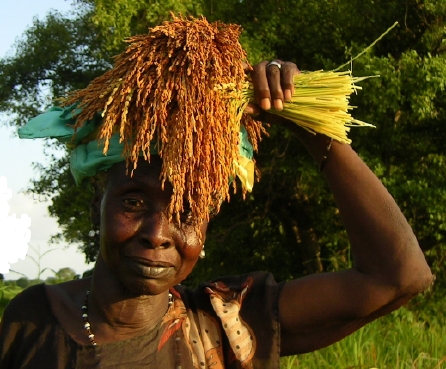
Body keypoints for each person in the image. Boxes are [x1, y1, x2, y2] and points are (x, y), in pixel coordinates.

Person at [0, 53, 433, 368]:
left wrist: (310, 126)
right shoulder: (32, 319)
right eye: (133, 201)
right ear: (98, 200)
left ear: (207, 225)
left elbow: (399, 276)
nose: (157, 232)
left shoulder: (227, 324)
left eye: (187, 209)